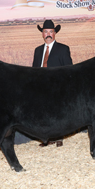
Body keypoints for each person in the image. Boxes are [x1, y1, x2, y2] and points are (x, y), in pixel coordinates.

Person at [32, 19, 73, 147]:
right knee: (43, 113)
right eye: (46, 32)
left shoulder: (63, 49)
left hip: (57, 87)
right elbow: (34, 69)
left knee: (57, 113)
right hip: (41, 86)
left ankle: (59, 137)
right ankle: (46, 139)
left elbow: (69, 69)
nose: (48, 34)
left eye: (51, 31)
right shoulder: (38, 50)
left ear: (55, 33)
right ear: (42, 34)